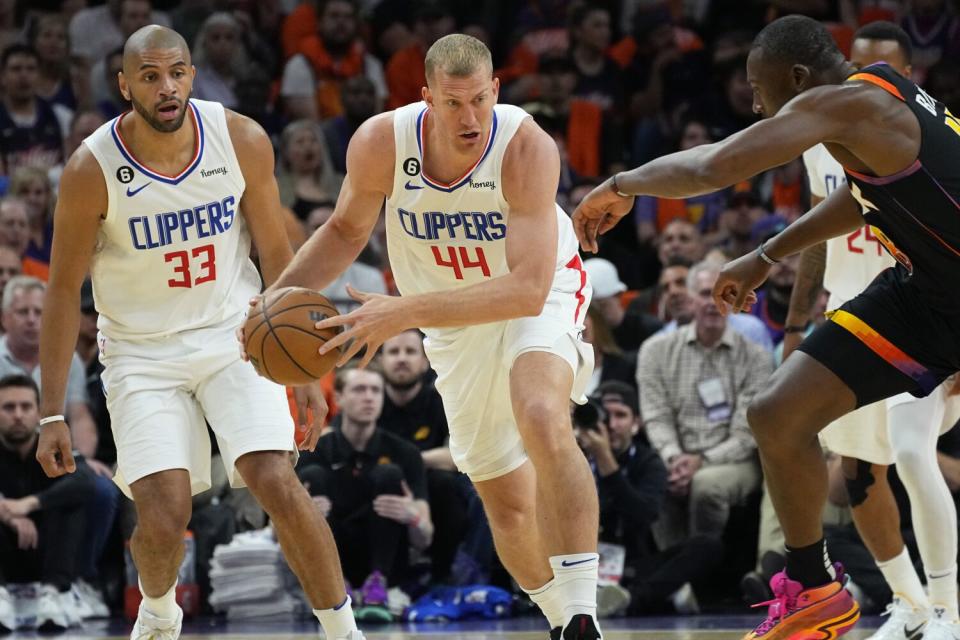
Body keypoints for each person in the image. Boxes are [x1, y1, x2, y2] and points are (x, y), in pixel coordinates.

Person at [573, 13, 960, 640]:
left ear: (799, 78)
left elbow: (713, 168)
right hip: (926, 293)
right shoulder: (876, 93)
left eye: (759, 90)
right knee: (776, 412)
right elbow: (864, 197)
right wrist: (763, 255)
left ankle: (939, 605)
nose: (754, 104)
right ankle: (816, 589)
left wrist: (621, 184)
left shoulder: (849, 105)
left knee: (910, 457)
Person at [259, 33, 603, 640]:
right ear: (427, 98)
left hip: (536, 294)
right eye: (453, 103)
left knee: (541, 412)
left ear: (496, 89)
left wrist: (400, 311)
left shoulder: (524, 146)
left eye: (480, 100)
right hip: (452, 323)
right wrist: (273, 302)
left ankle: (583, 614)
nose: (470, 118)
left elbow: (526, 290)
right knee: (506, 502)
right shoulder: (380, 143)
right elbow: (343, 231)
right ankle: (557, 620)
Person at [36, 26, 363, 640]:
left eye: (178, 72)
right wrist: (52, 412)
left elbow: (277, 254)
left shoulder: (238, 137)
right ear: (124, 84)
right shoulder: (91, 169)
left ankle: (343, 630)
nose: (168, 87)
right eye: (151, 76)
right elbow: (60, 292)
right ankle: (158, 615)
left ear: (192, 74)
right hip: (140, 351)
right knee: (164, 514)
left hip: (236, 334)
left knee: (277, 483)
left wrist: (310, 371)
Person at [781, 22, 960, 640]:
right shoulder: (817, 137)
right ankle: (907, 601)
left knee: (913, 453)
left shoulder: (929, 142)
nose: (862, 78)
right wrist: (797, 321)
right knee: (860, 471)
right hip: (849, 315)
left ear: (909, 78)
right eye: (854, 64)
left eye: (880, 68)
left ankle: (947, 607)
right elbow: (816, 236)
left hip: (923, 316)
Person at [297, 364, 433, 622]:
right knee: (314, 476)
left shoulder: (406, 453)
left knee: (389, 474)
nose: (369, 397)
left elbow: (424, 538)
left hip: (386, 556)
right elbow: (276, 532)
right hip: (333, 557)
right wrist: (303, 518)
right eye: (359, 389)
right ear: (338, 398)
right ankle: (336, 585)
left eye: (375, 391)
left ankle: (377, 584)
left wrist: (412, 517)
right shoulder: (314, 451)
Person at [0, 374, 95, 630]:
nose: (18, 415)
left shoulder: (52, 449)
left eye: (26, 407)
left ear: (38, 412)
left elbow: (86, 479)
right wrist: (9, 514)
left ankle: (53, 594)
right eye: (9, 407)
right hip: (7, 552)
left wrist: (31, 503)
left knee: (70, 501)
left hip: (50, 553)